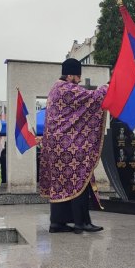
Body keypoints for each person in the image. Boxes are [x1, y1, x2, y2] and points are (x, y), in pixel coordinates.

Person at [39, 58, 107, 234]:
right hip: (67, 146)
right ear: (69, 75)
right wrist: (108, 86)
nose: (79, 81)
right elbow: (92, 98)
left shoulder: (55, 88)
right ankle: (81, 222)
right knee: (80, 179)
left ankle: (57, 223)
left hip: (56, 146)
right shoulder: (67, 89)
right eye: (77, 77)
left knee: (61, 184)